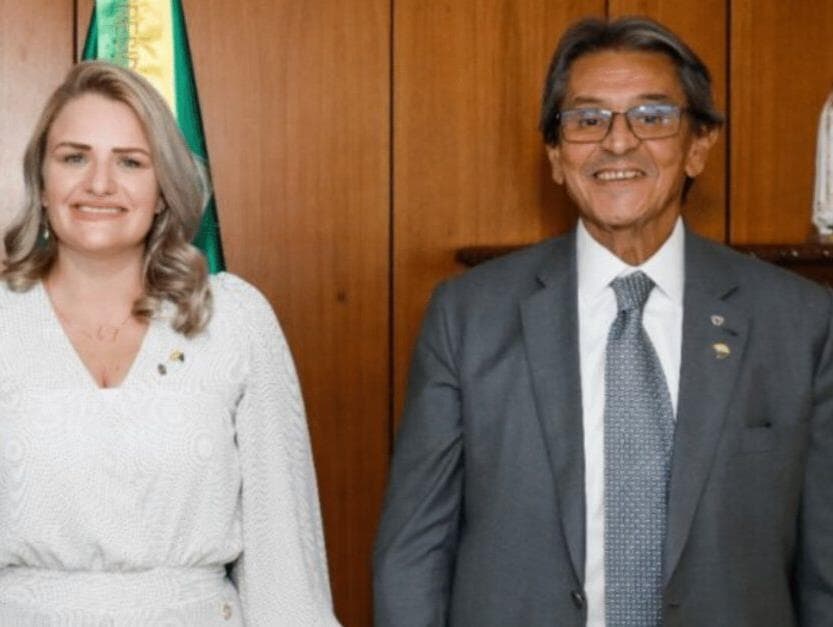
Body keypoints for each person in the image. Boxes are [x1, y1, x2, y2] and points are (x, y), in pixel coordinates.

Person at [374, 16, 833, 626]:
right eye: (587, 120)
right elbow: (412, 553)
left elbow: (826, 567)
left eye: (652, 116)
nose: (618, 142)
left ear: (699, 146)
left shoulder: (799, 323)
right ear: (555, 154)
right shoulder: (468, 318)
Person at [0, 61, 340, 626]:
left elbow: (282, 550)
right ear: (42, 179)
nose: (99, 184)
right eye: (74, 157)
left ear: (162, 191)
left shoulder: (232, 320)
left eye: (130, 162)